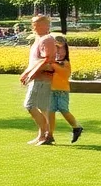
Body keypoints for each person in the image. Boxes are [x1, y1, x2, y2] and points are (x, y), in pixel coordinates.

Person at [19, 14, 56, 145]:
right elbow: (35, 61)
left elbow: (48, 59)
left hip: (42, 79)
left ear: (46, 26)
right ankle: (44, 135)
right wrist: (27, 73)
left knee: (30, 105)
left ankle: (46, 133)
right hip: (38, 78)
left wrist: (31, 74)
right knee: (42, 107)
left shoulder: (47, 39)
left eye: (38, 25)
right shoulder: (39, 39)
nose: (34, 27)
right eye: (34, 24)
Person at [49, 36, 83, 143]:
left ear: (66, 50)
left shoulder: (65, 63)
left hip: (62, 90)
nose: (58, 51)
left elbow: (64, 73)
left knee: (63, 109)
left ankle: (76, 127)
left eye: (61, 49)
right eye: (56, 49)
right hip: (52, 89)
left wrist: (52, 64)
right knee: (51, 111)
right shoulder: (55, 62)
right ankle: (50, 134)